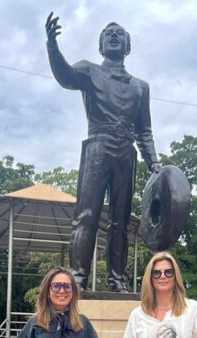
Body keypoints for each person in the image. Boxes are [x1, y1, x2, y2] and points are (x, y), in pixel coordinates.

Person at [45, 13, 160, 292]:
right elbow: (66, 77)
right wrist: (52, 46)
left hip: (126, 152)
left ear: (127, 46)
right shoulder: (88, 70)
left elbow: (144, 130)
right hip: (98, 145)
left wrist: (153, 162)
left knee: (120, 221)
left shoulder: (140, 87)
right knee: (87, 214)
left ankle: (117, 280)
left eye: (119, 33)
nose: (113, 36)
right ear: (100, 46)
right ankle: (79, 276)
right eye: (108, 34)